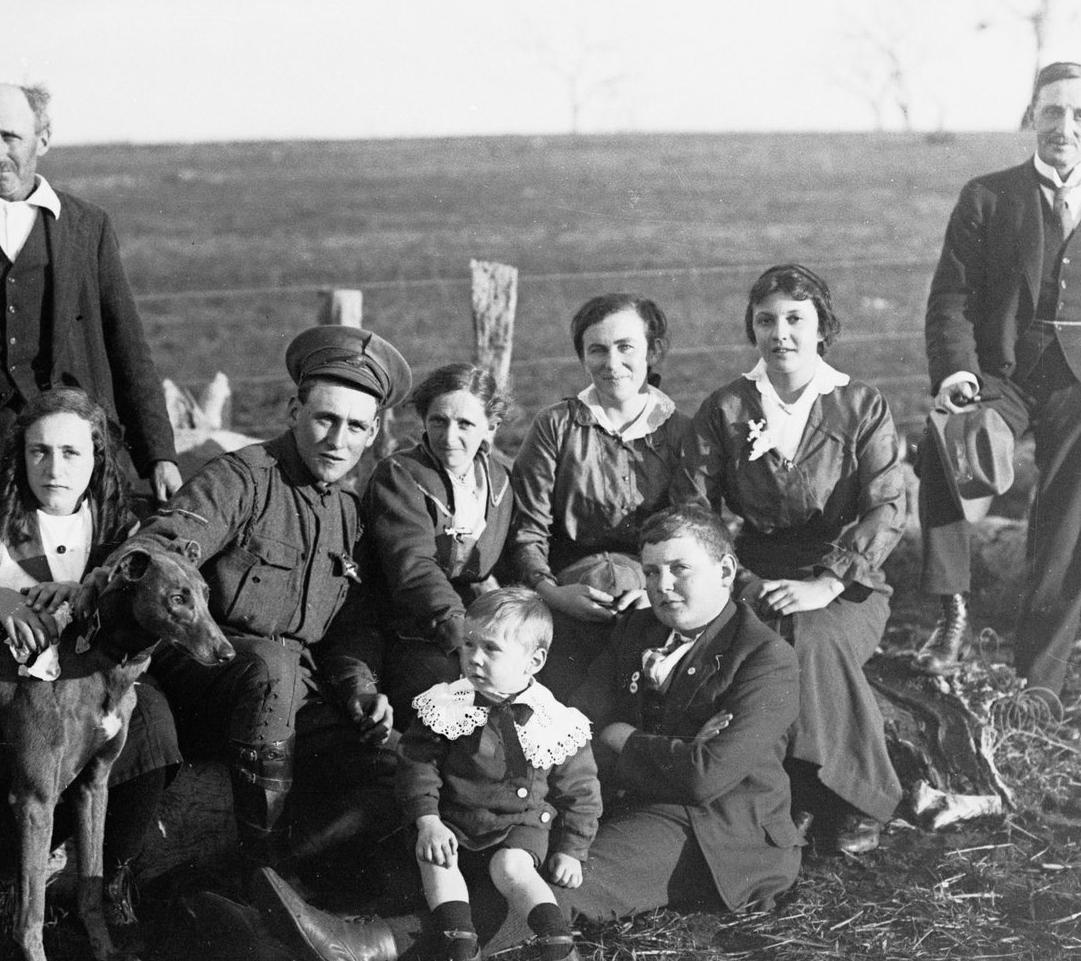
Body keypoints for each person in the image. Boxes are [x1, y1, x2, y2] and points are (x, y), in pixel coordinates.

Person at [250, 507, 802, 961]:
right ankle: (283, 926)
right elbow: (583, 718)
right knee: (470, 830)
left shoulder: (766, 659)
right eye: (652, 571)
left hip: (715, 828)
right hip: (619, 790)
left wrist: (618, 735)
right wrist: (635, 741)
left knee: (558, 878)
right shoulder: (640, 626)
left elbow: (702, 777)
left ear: (727, 571)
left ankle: (373, 945)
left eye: (680, 569)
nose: (661, 586)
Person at [914, 61, 1081, 722]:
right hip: (1004, 371)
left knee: (1068, 521)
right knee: (948, 456)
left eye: (1077, 114)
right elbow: (951, 297)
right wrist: (958, 376)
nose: (1063, 127)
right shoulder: (987, 197)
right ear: (1030, 117)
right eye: (1050, 112)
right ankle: (951, 609)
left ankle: (1039, 683)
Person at [140, 324, 412, 872]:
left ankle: (303, 885)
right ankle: (257, 873)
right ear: (294, 410)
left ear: (373, 431)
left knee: (393, 769)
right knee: (273, 665)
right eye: (325, 419)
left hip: (291, 696)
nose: (337, 440)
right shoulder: (240, 479)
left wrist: (360, 689)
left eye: (355, 426)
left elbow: (351, 625)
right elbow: (163, 550)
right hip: (205, 677)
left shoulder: (349, 514)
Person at [0, 386, 183, 930]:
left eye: (71, 452)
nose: (54, 467)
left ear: (96, 458)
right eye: (40, 451)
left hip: (90, 689)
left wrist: (86, 587)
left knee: (151, 724)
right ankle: (7, 884)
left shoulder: (118, 528)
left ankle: (109, 879)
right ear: (21, 456)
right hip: (7, 695)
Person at [672, 263, 910, 855]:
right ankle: (792, 793)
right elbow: (692, 507)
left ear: (822, 327)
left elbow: (887, 507)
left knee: (813, 633)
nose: (780, 333)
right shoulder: (727, 407)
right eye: (766, 320)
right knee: (763, 643)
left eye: (795, 319)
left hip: (847, 577)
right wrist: (740, 579)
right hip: (752, 573)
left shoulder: (860, 404)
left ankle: (856, 797)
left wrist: (829, 583)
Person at [0, 82, 180, 502]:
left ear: (43, 139)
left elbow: (127, 344)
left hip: (73, 450)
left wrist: (159, 454)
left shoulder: (89, 226)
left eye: (10, 137)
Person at [402, 588, 601, 961]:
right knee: (436, 858)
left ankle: (558, 946)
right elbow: (418, 765)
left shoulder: (553, 720)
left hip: (518, 824)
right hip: (455, 820)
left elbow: (581, 790)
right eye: (469, 644)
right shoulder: (446, 703)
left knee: (510, 868)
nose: (473, 658)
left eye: (491, 649)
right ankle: (461, 946)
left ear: (534, 662)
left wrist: (572, 849)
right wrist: (429, 821)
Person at [507, 293, 692, 691]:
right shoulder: (555, 426)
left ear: (654, 350)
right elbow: (527, 527)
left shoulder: (680, 433)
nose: (612, 364)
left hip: (652, 587)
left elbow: (689, 530)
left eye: (626, 347)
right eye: (598, 350)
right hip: (567, 586)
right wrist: (553, 593)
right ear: (583, 357)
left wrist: (655, 592)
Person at [363, 363, 517, 713]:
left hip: (477, 624)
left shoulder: (502, 477)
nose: (449, 437)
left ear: (490, 428)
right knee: (450, 696)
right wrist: (462, 634)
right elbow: (414, 567)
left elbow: (517, 551)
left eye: (465, 424)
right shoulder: (400, 475)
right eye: (438, 421)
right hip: (412, 626)